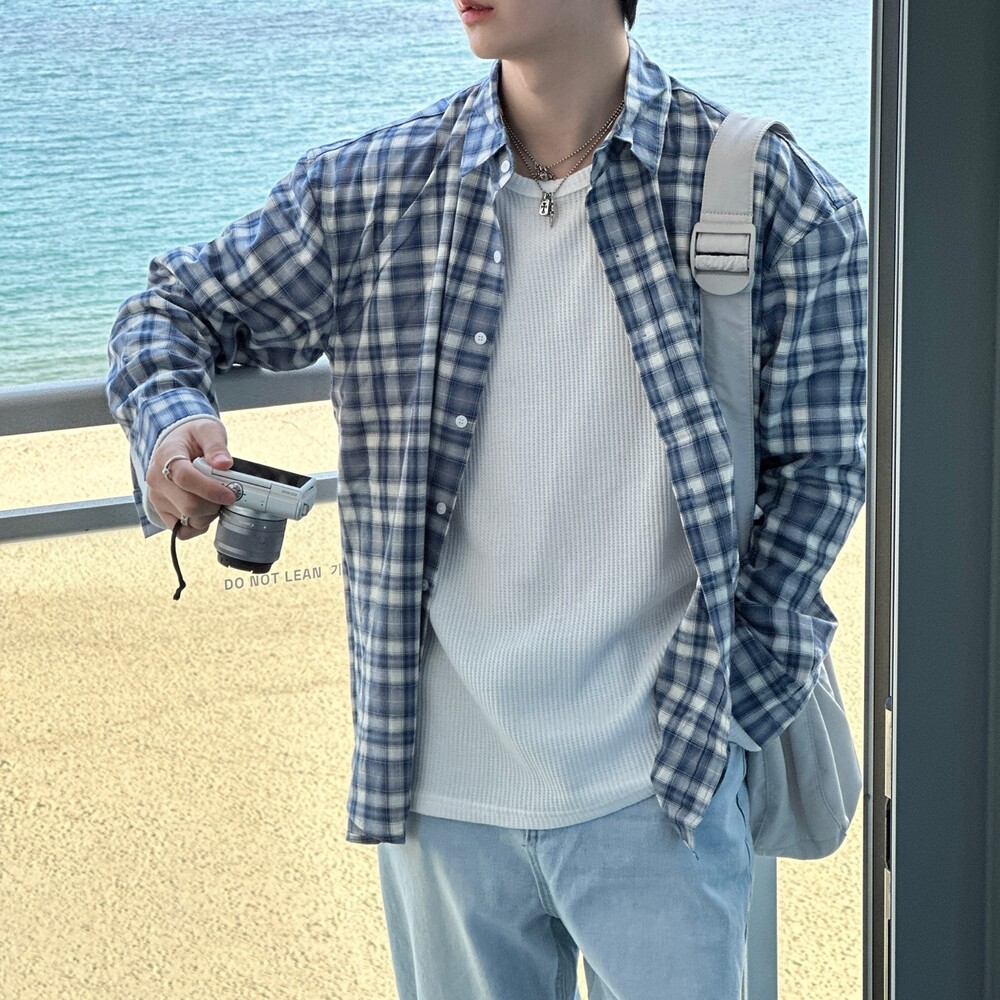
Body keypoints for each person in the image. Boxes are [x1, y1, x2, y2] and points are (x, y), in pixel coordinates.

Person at [107, 0, 867, 996]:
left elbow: (822, 471)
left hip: (663, 783)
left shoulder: (774, 198)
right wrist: (172, 423)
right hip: (440, 798)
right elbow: (170, 307)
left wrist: (726, 713)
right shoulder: (374, 190)